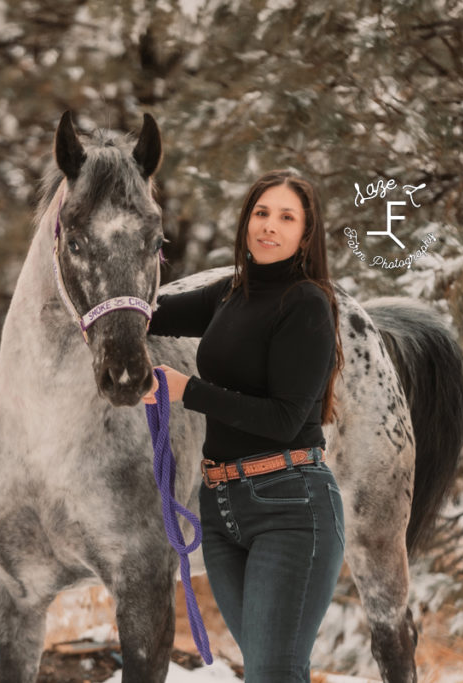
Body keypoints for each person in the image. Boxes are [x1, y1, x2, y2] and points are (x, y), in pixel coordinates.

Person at [143, 169, 346, 682]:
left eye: (286, 217)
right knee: (264, 670)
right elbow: (145, 313)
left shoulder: (306, 303)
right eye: (261, 213)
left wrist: (186, 390)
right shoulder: (227, 295)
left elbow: (284, 420)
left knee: (273, 674)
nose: (269, 227)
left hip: (290, 506)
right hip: (221, 509)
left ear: (306, 233)